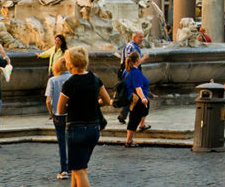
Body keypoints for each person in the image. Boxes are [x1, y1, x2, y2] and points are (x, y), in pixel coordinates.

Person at [57, 46, 113, 187]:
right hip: (94, 128)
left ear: (70, 63)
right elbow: (106, 101)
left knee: (79, 170)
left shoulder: (69, 83)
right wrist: (93, 103)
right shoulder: (95, 78)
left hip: (76, 129)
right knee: (80, 168)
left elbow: (60, 109)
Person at [45, 56, 72, 180]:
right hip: (72, 114)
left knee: (62, 142)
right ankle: (73, 168)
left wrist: (51, 113)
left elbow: (48, 101)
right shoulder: (73, 78)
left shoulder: (53, 80)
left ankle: (64, 169)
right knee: (72, 140)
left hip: (58, 114)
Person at [117, 32, 149, 124]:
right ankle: (138, 120)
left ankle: (123, 114)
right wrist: (145, 58)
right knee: (135, 93)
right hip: (132, 72)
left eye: (143, 37)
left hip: (126, 72)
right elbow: (136, 62)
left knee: (131, 94)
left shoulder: (127, 45)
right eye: (140, 37)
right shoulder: (134, 47)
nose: (142, 39)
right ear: (134, 37)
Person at [123, 51, 151, 147]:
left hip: (132, 98)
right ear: (138, 60)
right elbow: (138, 87)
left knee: (145, 108)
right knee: (134, 119)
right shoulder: (135, 72)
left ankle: (142, 125)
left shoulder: (126, 70)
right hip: (137, 100)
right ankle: (129, 141)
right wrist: (143, 98)